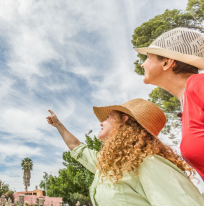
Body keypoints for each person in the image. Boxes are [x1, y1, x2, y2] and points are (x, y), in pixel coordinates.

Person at [46, 99, 204, 206]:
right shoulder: (110, 165)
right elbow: (77, 148)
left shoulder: (148, 163)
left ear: (125, 120)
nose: (101, 122)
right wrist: (58, 124)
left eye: (108, 117)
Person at [135, 27, 204, 180]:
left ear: (167, 62)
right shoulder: (186, 109)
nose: (143, 65)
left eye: (148, 57)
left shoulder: (198, 84)